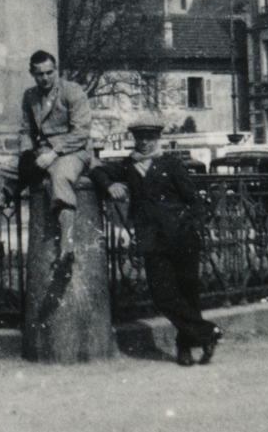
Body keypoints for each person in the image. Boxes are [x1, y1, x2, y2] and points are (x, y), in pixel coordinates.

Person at [91, 116, 221, 367]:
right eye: (140, 137)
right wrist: (109, 186)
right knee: (162, 296)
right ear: (134, 139)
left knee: (188, 294)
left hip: (182, 237)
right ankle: (208, 333)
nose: (145, 143)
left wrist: (193, 227)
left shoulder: (171, 163)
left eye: (150, 137)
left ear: (158, 138)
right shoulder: (129, 166)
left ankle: (185, 349)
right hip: (152, 240)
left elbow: (194, 200)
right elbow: (97, 170)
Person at [0, 50, 93, 258]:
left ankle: (67, 245)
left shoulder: (72, 91)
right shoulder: (30, 96)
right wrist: (26, 152)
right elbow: (25, 130)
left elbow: (81, 132)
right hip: (41, 153)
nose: (45, 78)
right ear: (32, 73)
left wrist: (55, 152)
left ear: (56, 70)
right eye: (40, 74)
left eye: (49, 72)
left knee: (60, 176)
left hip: (73, 151)